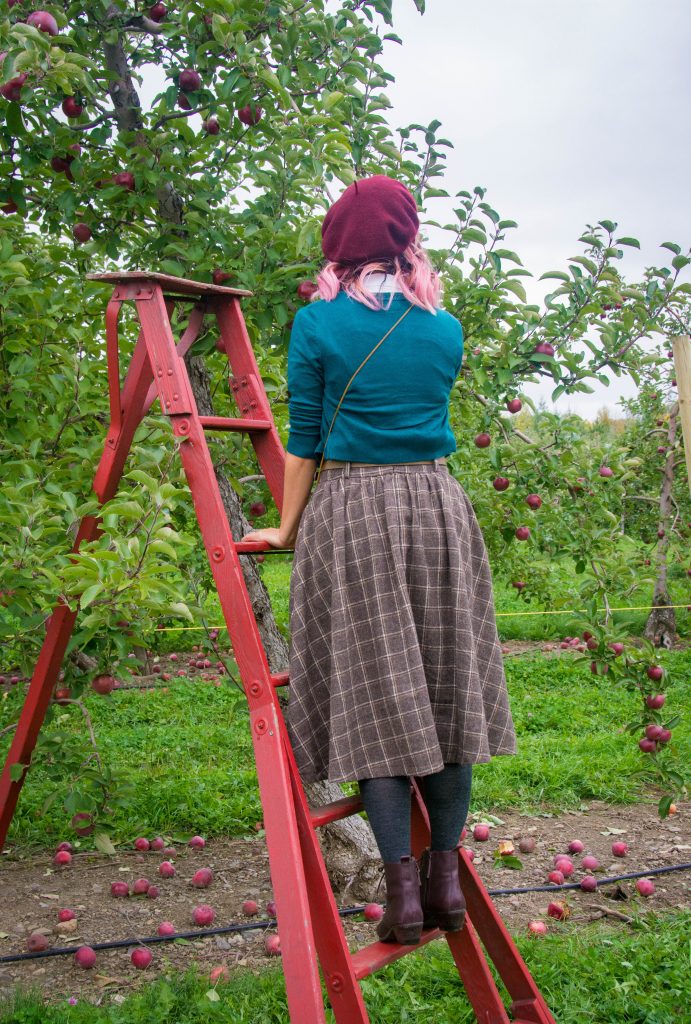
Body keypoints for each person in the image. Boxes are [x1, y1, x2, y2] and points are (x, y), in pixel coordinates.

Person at [243, 175, 516, 946]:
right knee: (446, 695)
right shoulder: (445, 328)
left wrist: (285, 528)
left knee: (375, 696)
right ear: (405, 239)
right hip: (438, 508)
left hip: (353, 511)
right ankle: (445, 887)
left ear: (336, 245)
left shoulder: (316, 324)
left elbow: (304, 441)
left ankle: (399, 896)